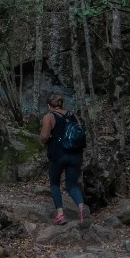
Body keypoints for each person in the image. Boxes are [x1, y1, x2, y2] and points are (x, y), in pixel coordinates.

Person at [39, 94, 87, 225]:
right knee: (72, 185)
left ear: (49, 105)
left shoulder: (49, 117)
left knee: (55, 184)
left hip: (58, 155)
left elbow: (44, 137)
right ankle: (81, 208)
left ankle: (60, 214)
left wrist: (46, 140)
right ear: (61, 104)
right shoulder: (73, 115)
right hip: (75, 155)